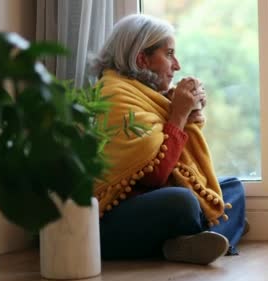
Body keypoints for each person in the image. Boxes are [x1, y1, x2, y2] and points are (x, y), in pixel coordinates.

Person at [91, 14, 246, 265]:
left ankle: (192, 242)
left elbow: (175, 167)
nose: (177, 65)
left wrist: (186, 113)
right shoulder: (115, 94)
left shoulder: (149, 95)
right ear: (142, 58)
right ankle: (218, 233)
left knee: (231, 188)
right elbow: (155, 175)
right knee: (182, 202)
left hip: (152, 201)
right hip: (112, 222)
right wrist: (179, 114)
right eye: (170, 54)